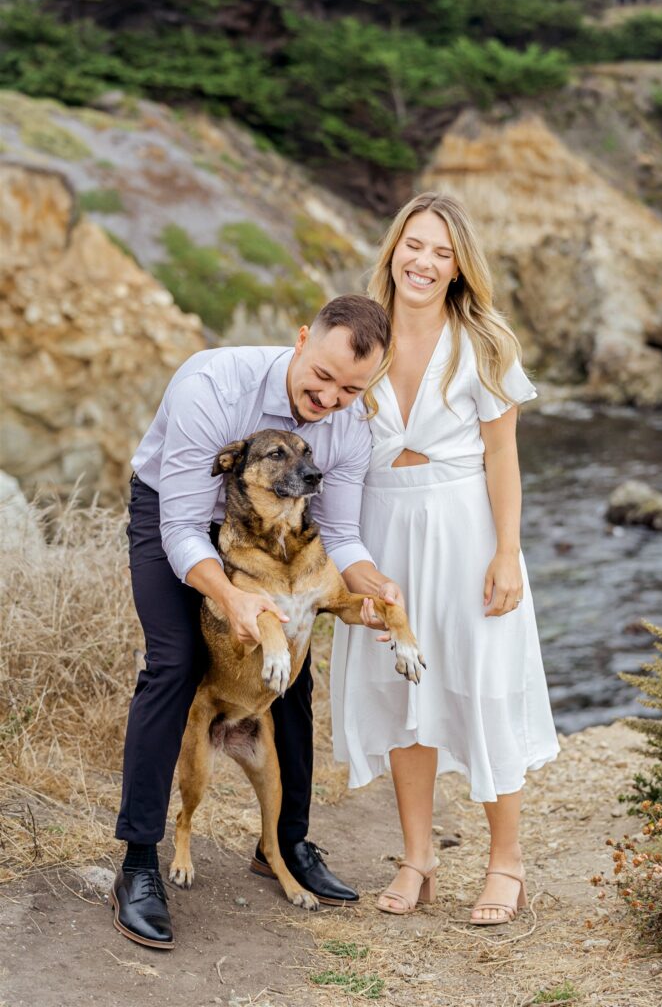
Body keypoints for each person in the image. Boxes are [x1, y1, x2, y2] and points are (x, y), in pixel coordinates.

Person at [113, 294, 404, 950]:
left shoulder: (351, 421)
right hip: (177, 516)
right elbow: (187, 529)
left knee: (290, 671)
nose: (330, 398)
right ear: (302, 339)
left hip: (273, 539)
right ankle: (136, 862)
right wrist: (232, 598)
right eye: (321, 377)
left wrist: (371, 586)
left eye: (351, 388)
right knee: (175, 663)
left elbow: (342, 533)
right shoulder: (212, 383)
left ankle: (285, 844)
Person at [330, 192, 560, 924]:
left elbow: (502, 459)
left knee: (482, 688)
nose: (423, 262)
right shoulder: (360, 332)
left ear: (459, 266)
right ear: (393, 247)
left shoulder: (485, 339)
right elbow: (329, 435)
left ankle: (506, 863)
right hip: (380, 528)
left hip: (461, 530)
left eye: (441, 251)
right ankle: (418, 857)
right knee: (402, 692)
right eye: (414, 245)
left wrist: (506, 553)